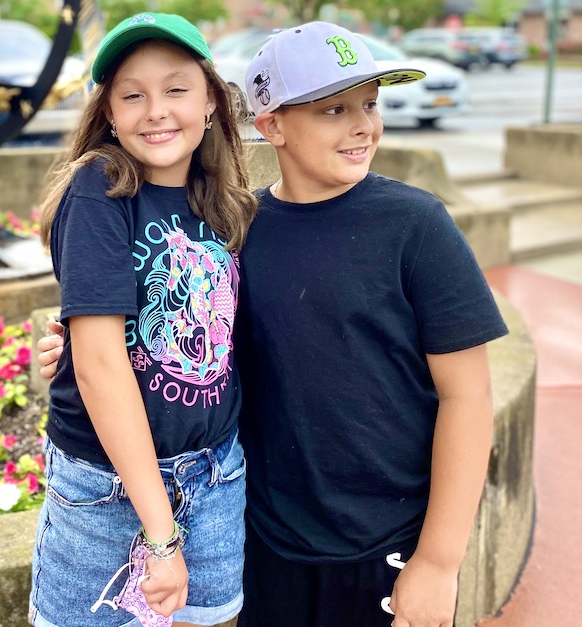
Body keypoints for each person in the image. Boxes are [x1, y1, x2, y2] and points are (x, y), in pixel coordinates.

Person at [37, 21, 509, 627]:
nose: (362, 125)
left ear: (211, 104)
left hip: (386, 540)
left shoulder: (415, 225)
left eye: (370, 104)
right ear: (273, 125)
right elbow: (191, 329)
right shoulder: (239, 225)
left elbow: (469, 394)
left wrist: (440, 562)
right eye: (333, 108)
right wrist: (81, 346)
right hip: (264, 536)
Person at [28, 12, 258, 627]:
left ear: (210, 101)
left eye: (176, 89)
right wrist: (161, 536)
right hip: (107, 486)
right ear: (108, 111)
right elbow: (102, 366)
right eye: (132, 95)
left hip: (214, 472)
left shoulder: (224, 203)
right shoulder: (100, 188)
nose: (156, 111)